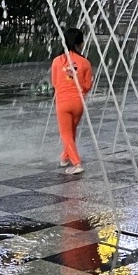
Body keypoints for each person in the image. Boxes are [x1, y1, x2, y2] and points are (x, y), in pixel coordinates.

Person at [51, 27, 93, 175]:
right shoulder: (85, 62)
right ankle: (64, 157)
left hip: (63, 102)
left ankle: (77, 163)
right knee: (71, 132)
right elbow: (87, 86)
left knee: (66, 134)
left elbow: (55, 83)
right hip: (78, 103)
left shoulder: (57, 61)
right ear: (79, 43)